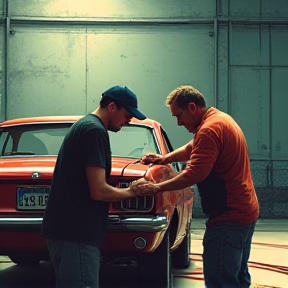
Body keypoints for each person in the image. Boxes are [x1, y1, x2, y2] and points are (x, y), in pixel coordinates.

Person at [137, 85, 259, 288]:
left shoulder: (209, 130)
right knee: (237, 276)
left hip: (228, 218)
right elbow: (192, 147)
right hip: (244, 213)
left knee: (220, 281)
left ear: (192, 107)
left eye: (179, 115)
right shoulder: (219, 120)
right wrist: (164, 159)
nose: (178, 123)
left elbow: (194, 174)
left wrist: (157, 188)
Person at [41, 85, 146, 288]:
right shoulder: (94, 131)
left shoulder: (85, 126)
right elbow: (98, 190)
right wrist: (132, 191)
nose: (129, 120)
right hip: (76, 235)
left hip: (68, 233)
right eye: (127, 115)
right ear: (112, 107)